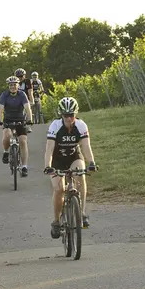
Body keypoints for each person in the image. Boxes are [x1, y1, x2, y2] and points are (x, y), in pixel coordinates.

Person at [43, 97, 97, 237]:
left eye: (71, 115)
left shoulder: (81, 125)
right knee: (59, 189)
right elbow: (49, 148)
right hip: (57, 159)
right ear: (61, 115)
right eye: (66, 115)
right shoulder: (55, 126)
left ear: (76, 114)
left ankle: (82, 213)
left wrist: (91, 162)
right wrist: (48, 166)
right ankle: (56, 221)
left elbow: (85, 146)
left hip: (74, 156)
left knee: (81, 176)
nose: (68, 118)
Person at [0, 76, 33, 177]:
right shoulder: (4, 95)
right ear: (8, 86)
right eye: (11, 85)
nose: (12, 87)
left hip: (21, 120)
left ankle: (24, 166)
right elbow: (0, 109)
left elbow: (27, 108)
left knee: (23, 141)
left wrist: (30, 120)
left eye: (15, 84)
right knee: (7, 135)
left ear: (18, 85)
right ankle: (6, 151)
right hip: (8, 120)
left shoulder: (22, 94)